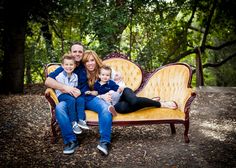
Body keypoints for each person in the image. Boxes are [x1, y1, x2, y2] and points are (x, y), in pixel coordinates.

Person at [45, 42, 113, 155]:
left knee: (105, 108)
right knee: (60, 108)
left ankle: (105, 142)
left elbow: (105, 74)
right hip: (70, 99)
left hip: (87, 98)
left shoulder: (86, 64)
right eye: (74, 51)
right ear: (71, 53)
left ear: (83, 53)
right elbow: (48, 81)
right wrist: (65, 87)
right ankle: (71, 141)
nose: (77, 54)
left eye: (80, 51)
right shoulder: (66, 66)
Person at [82, 50, 178, 115]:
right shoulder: (84, 76)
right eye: (87, 61)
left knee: (134, 101)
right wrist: (101, 97)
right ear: (84, 63)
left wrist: (118, 88)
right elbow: (91, 95)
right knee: (123, 109)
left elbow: (120, 84)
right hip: (114, 102)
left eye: (92, 60)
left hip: (122, 92)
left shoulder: (106, 70)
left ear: (96, 60)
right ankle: (148, 101)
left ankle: (160, 104)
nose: (90, 63)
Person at [55, 54, 88, 135]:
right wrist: (71, 92)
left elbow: (75, 87)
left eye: (71, 64)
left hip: (71, 94)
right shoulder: (60, 76)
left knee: (80, 99)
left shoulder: (75, 76)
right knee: (71, 100)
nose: (69, 67)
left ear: (75, 65)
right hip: (62, 94)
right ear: (62, 65)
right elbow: (61, 88)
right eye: (66, 64)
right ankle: (73, 122)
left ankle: (81, 120)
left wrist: (77, 92)